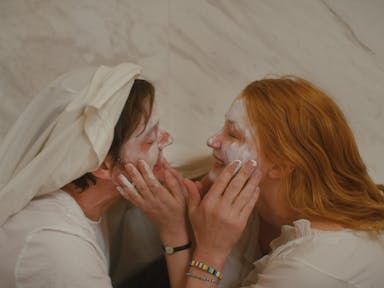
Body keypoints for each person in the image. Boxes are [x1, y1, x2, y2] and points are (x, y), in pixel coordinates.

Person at [117, 76, 384, 288]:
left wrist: (203, 245)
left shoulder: (311, 269)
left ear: (281, 165)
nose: (212, 140)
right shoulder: (256, 204)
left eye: (232, 134)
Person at [0, 63, 174, 287]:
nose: (167, 139)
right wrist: (199, 248)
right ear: (102, 165)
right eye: (150, 139)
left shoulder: (85, 204)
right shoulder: (59, 249)